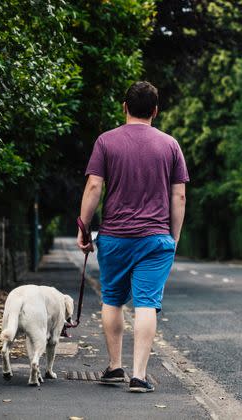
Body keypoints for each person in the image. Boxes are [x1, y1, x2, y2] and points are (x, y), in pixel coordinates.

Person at [77, 81, 189, 393]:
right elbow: (178, 196)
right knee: (146, 304)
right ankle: (139, 376)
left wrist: (84, 229)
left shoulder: (105, 142)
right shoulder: (170, 145)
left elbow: (94, 188)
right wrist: (174, 237)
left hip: (114, 237)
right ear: (155, 110)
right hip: (155, 238)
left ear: (124, 107)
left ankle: (114, 367)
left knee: (112, 299)